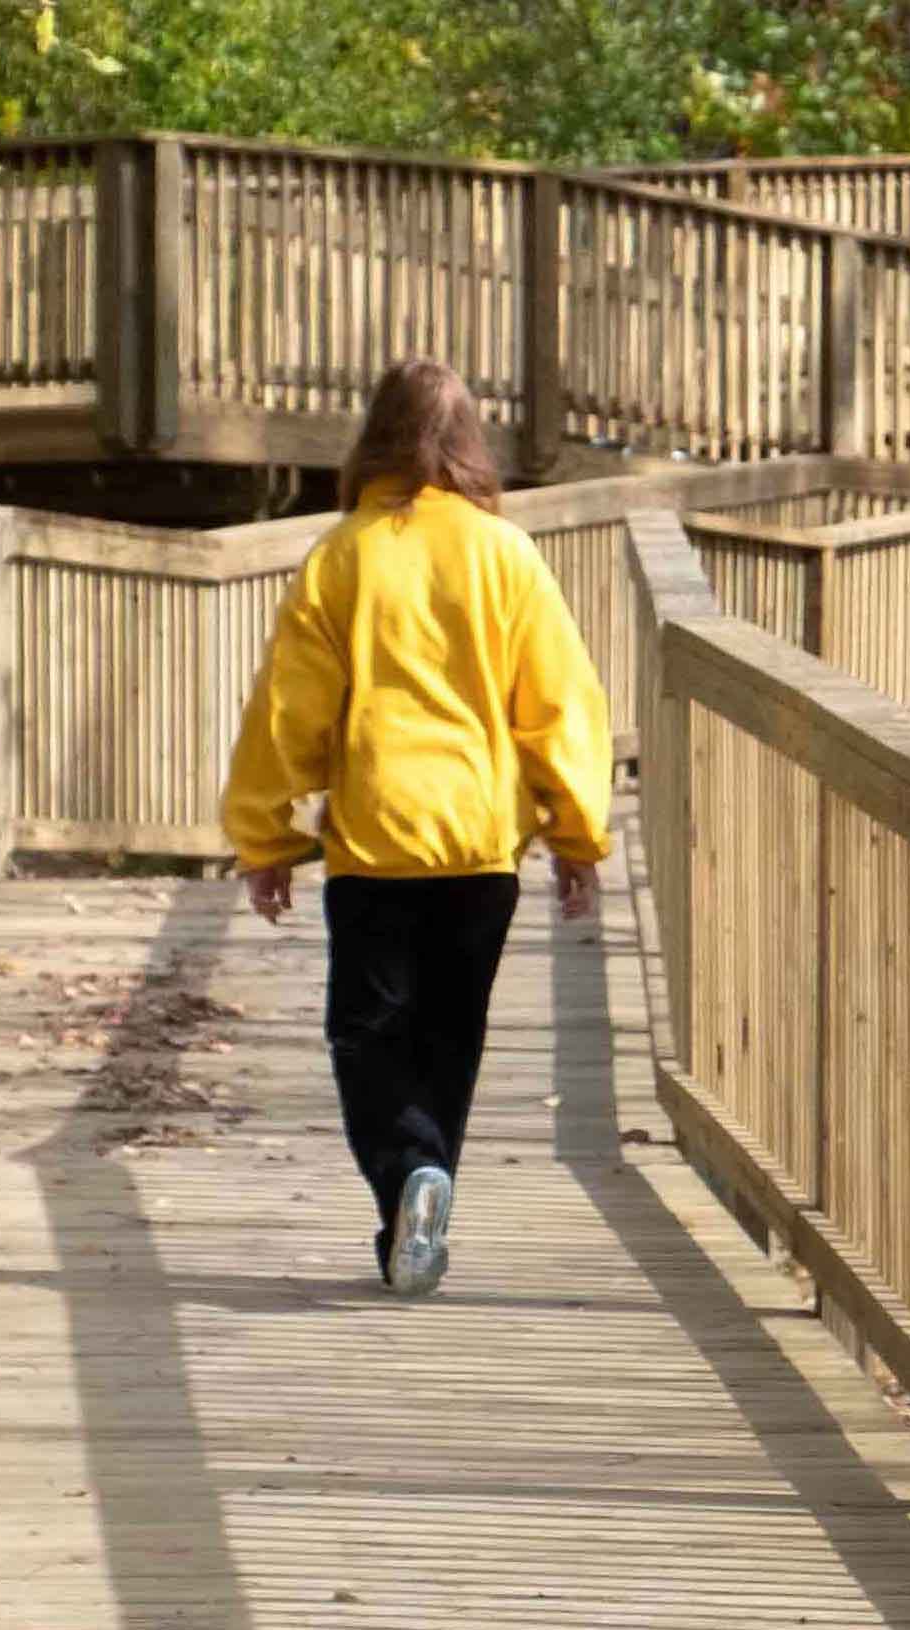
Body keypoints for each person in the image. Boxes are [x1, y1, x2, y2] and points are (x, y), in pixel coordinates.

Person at [220, 358, 613, 1298]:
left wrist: (265, 834)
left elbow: (290, 709)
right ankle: (425, 1191)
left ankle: (407, 1180)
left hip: (377, 843)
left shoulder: (344, 556)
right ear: (470, 442)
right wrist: (575, 831)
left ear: (374, 439)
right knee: (450, 1036)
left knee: (366, 1035)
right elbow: (560, 703)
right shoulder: (506, 555)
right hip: (479, 844)